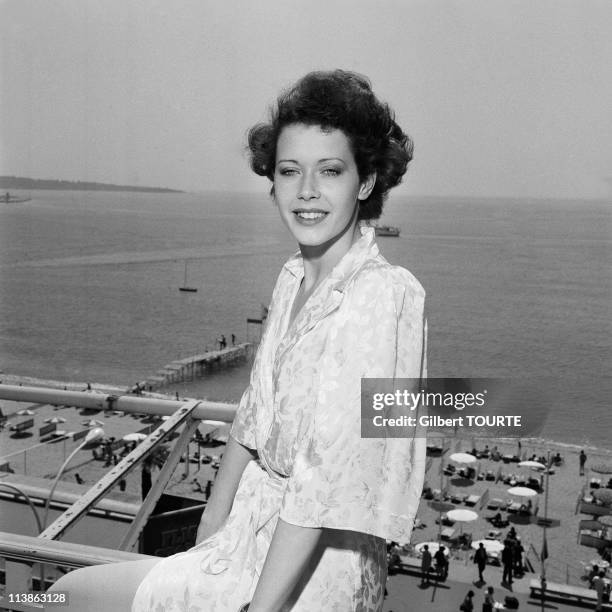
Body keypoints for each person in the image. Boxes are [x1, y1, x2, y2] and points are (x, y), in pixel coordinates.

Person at [51, 70, 427, 612]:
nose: (307, 192)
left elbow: (325, 483)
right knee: (56, 598)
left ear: (366, 182)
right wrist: (211, 529)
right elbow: (253, 415)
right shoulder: (294, 277)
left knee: (61, 597)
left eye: (331, 171)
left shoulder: (381, 296)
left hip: (310, 569)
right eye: (290, 171)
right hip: (248, 536)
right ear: (272, 181)